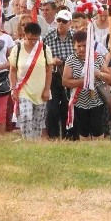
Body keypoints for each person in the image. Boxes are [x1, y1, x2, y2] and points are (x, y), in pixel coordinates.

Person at [8, 22, 52, 140]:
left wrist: (47, 89)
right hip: (23, 89)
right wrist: (13, 88)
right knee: (26, 116)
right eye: (30, 38)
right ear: (25, 35)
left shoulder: (44, 49)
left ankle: (35, 143)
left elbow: (49, 70)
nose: (33, 41)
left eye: (35, 39)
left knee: (38, 120)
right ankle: (27, 140)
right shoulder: (17, 49)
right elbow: (12, 70)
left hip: (40, 89)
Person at [62, 30, 106, 140]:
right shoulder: (71, 59)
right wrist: (85, 81)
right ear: (74, 46)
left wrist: (99, 74)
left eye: (85, 46)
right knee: (83, 132)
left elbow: (109, 76)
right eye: (79, 46)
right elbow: (65, 81)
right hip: (79, 102)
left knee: (98, 131)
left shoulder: (98, 58)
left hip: (97, 101)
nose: (82, 49)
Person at [43, 8, 75, 140]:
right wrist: (52, 60)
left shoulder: (74, 37)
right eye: (59, 21)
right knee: (52, 108)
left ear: (70, 23)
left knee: (69, 106)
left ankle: (70, 135)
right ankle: (53, 136)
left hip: (71, 76)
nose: (61, 23)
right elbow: (41, 57)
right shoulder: (48, 37)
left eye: (64, 21)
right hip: (54, 76)